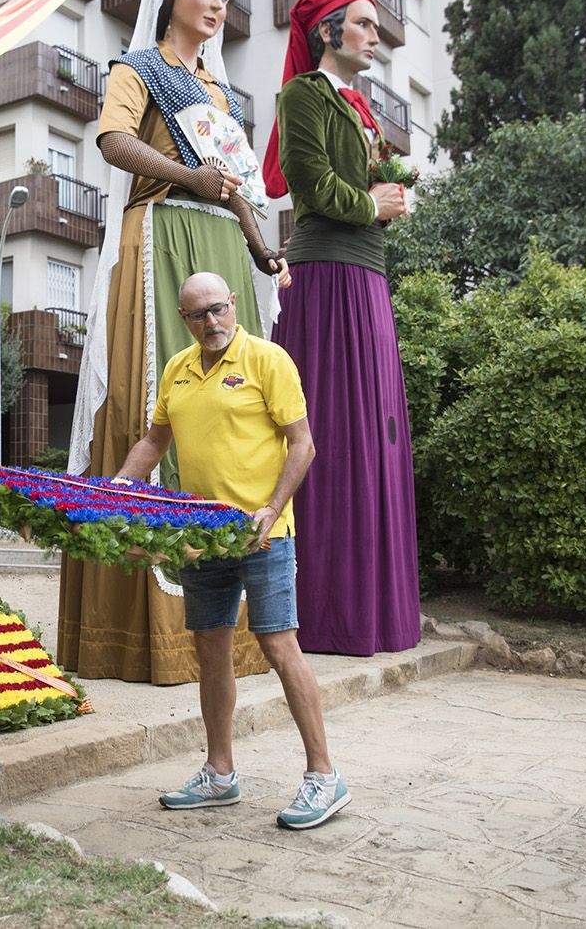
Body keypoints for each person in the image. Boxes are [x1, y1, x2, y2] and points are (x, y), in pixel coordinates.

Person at [62, 0, 287, 684]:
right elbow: (113, 141)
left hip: (222, 245)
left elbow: (237, 187)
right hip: (161, 234)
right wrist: (188, 175)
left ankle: (241, 608)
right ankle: (139, 630)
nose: (220, 3)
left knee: (233, 416)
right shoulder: (138, 68)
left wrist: (262, 251)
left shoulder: (222, 96)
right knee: (154, 402)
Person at [114, 272, 348, 829]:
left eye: (218, 309)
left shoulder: (268, 360)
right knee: (211, 647)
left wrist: (272, 507)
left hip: (263, 531)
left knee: (278, 645)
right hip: (204, 535)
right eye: (198, 314)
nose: (211, 321)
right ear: (184, 319)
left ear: (233, 304)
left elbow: (303, 444)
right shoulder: (178, 369)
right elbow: (155, 441)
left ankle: (324, 775)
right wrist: (119, 487)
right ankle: (220, 773)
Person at [261, 0, 416, 656]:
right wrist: (373, 204)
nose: (374, 36)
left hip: (369, 277)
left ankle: (373, 611)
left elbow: (360, 191)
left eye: (376, 26)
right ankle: (324, 611)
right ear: (328, 33)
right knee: (330, 430)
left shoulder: (361, 107)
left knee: (373, 434)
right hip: (324, 278)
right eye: (363, 24)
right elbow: (310, 184)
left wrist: (390, 200)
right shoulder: (303, 96)